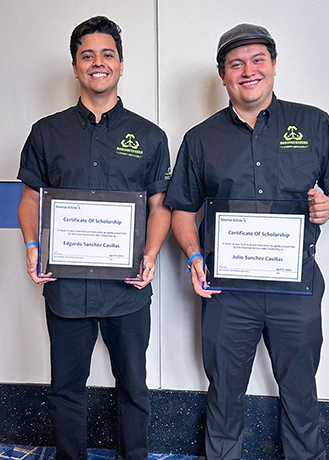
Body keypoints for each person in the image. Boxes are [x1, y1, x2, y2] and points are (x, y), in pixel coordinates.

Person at [164, 23, 329, 460]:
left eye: (257, 60)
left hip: (297, 288)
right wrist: (194, 255)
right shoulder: (200, 139)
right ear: (222, 75)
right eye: (236, 64)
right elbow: (180, 209)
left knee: (301, 394)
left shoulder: (314, 122)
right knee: (225, 397)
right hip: (227, 292)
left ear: (273, 66)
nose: (247, 71)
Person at [17, 16, 171, 460]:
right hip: (66, 290)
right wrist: (32, 245)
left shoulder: (149, 135)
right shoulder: (47, 132)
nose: (97, 63)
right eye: (87, 55)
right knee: (66, 388)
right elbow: (30, 200)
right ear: (75, 66)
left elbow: (160, 206)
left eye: (107, 55)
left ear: (121, 65)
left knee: (134, 387)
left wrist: (151, 253)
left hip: (128, 290)